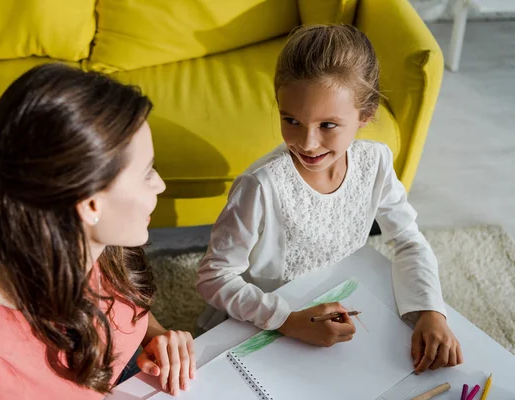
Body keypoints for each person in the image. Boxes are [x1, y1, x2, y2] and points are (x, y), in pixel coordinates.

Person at [196, 25, 463, 374]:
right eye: (291, 120)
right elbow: (213, 277)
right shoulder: (260, 186)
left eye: (328, 126)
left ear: (364, 117)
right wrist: (286, 320)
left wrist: (431, 311)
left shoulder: (376, 163)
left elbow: (408, 240)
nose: (307, 142)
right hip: (263, 318)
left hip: (338, 307)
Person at [0, 63, 195, 399]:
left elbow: (124, 314)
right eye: (147, 172)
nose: (160, 185)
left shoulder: (97, 245)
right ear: (89, 204)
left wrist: (155, 336)